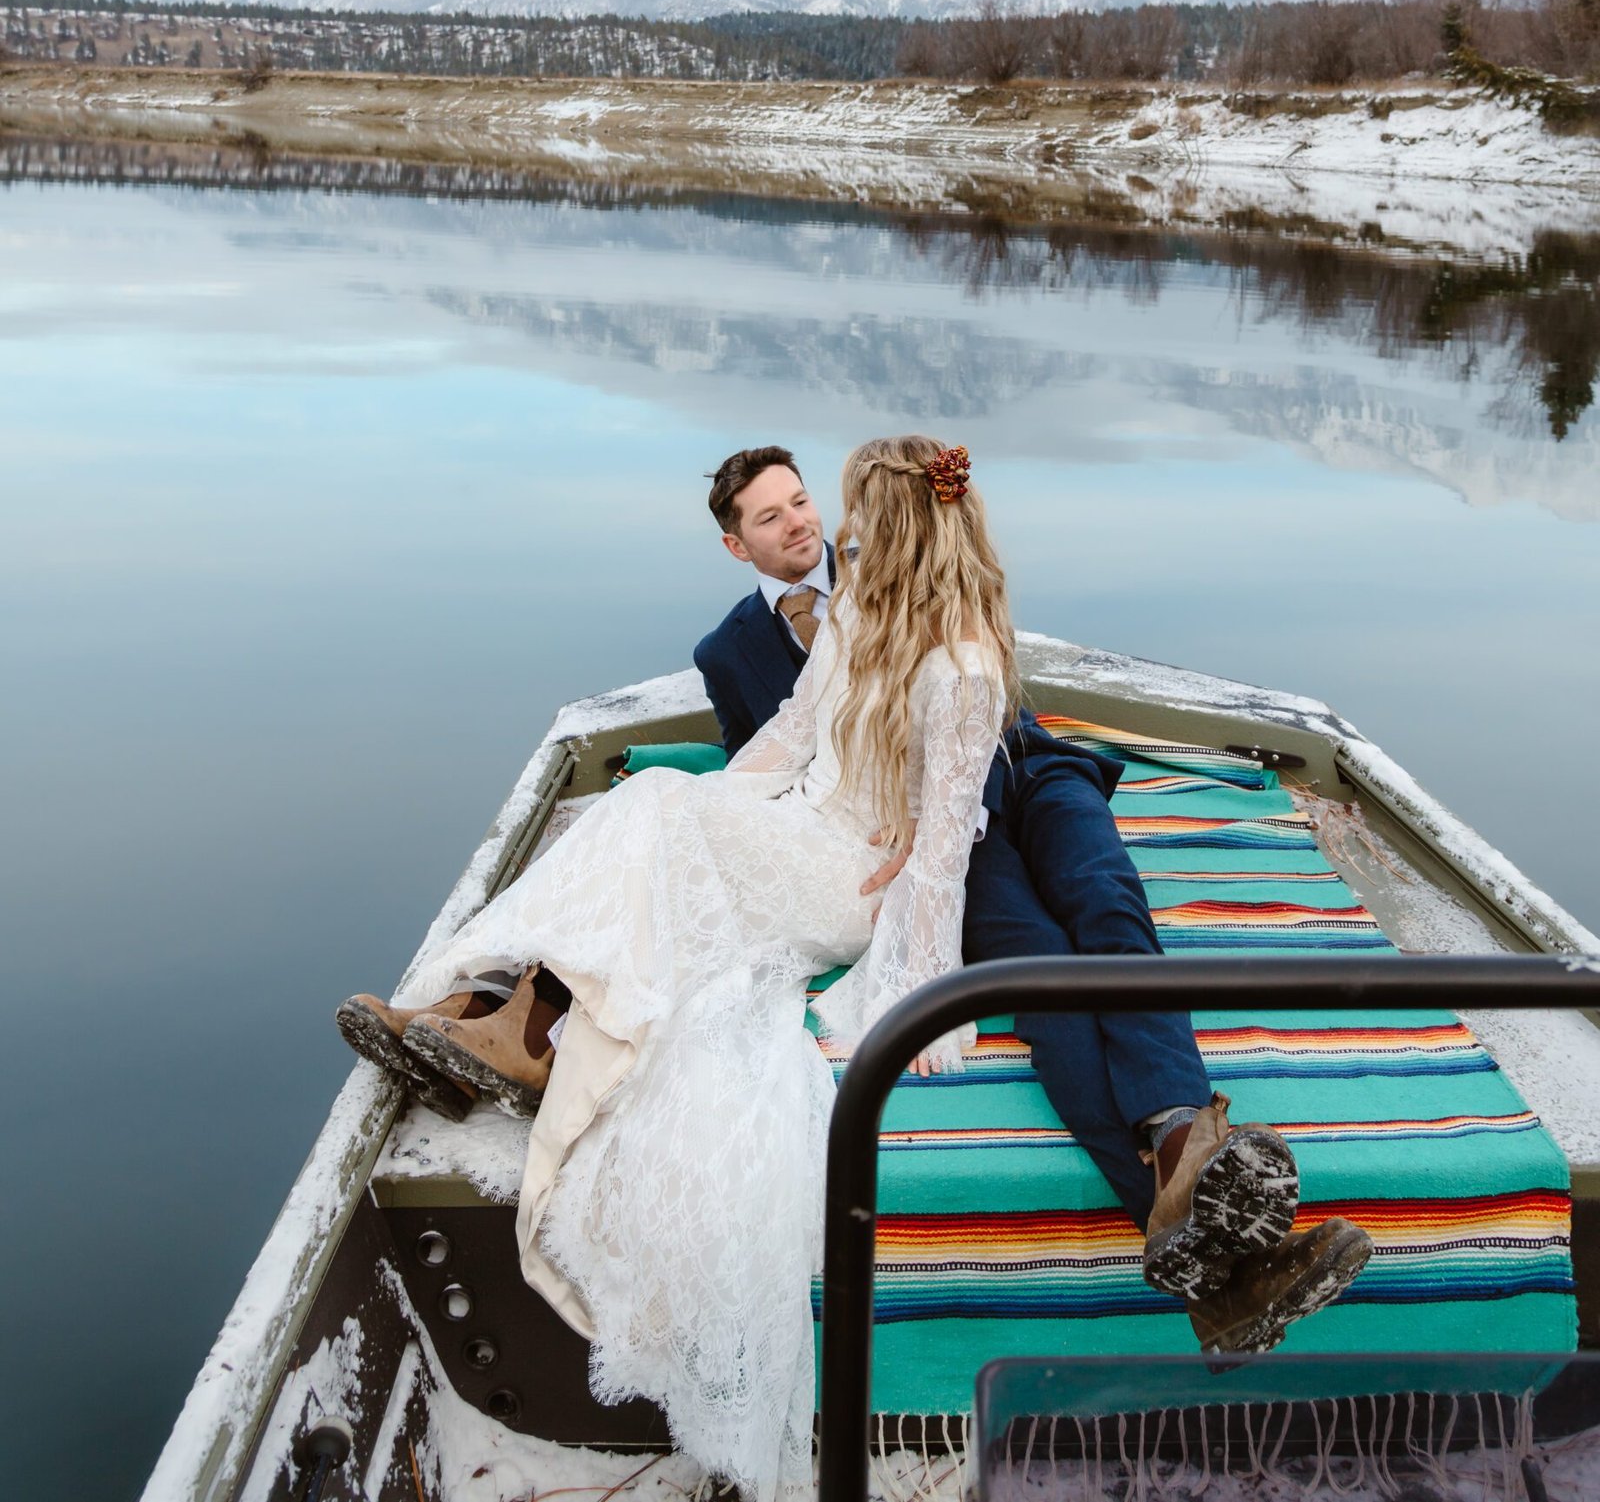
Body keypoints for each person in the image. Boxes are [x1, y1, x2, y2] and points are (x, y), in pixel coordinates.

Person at [338, 436, 1022, 1502]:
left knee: (653, 815)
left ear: (898, 526)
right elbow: (792, 735)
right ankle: (500, 1012)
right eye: (801, 513)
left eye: (843, 513)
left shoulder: (964, 661)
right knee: (650, 807)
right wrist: (708, 809)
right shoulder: (859, 613)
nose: (829, 531)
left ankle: (510, 1018)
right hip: (797, 823)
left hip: (852, 882)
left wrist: (924, 995)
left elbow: (940, 857)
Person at [693, 445, 1372, 1357]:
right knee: (1040, 972)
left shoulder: (918, 577)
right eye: (771, 518)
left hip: (1021, 771)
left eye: (806, 503)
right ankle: (1221, 1267)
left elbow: (966, 690)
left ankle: (1180, 1139)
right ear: (738, 544)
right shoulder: (735, 648)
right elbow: (782, 747)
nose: (809, 525)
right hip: (937, 826)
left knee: (1107, 905)